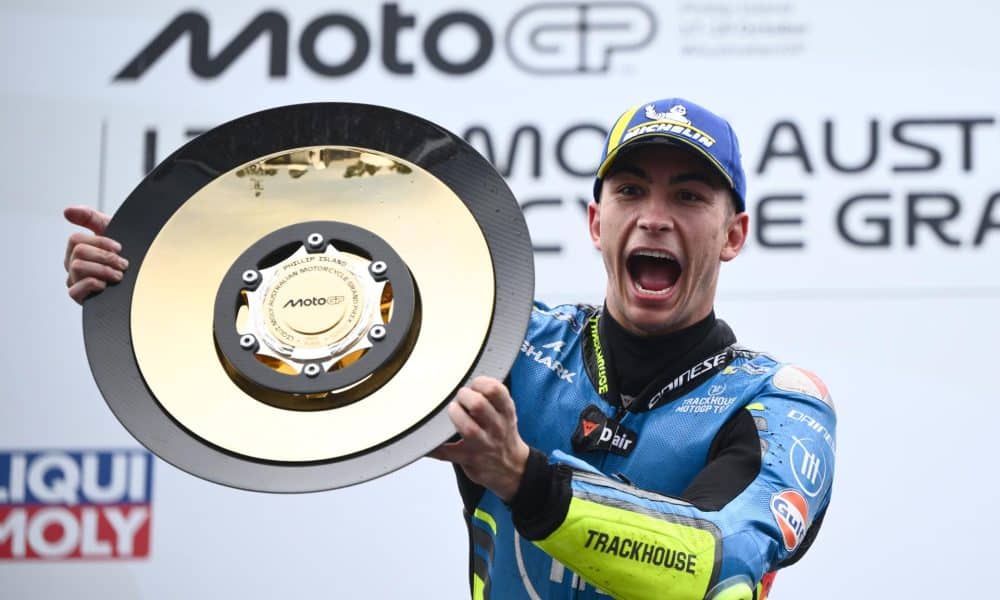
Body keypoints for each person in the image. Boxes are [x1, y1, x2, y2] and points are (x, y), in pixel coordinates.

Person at [63, 97, 836, 600]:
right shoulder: (509, 339)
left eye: (690, 196)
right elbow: (328, 290)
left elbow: (721, 560)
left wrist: (526, 478)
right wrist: (146, 272)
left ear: (733, 234)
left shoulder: (777, 401)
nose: (655, 217)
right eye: (630, 191)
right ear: (595, 223)